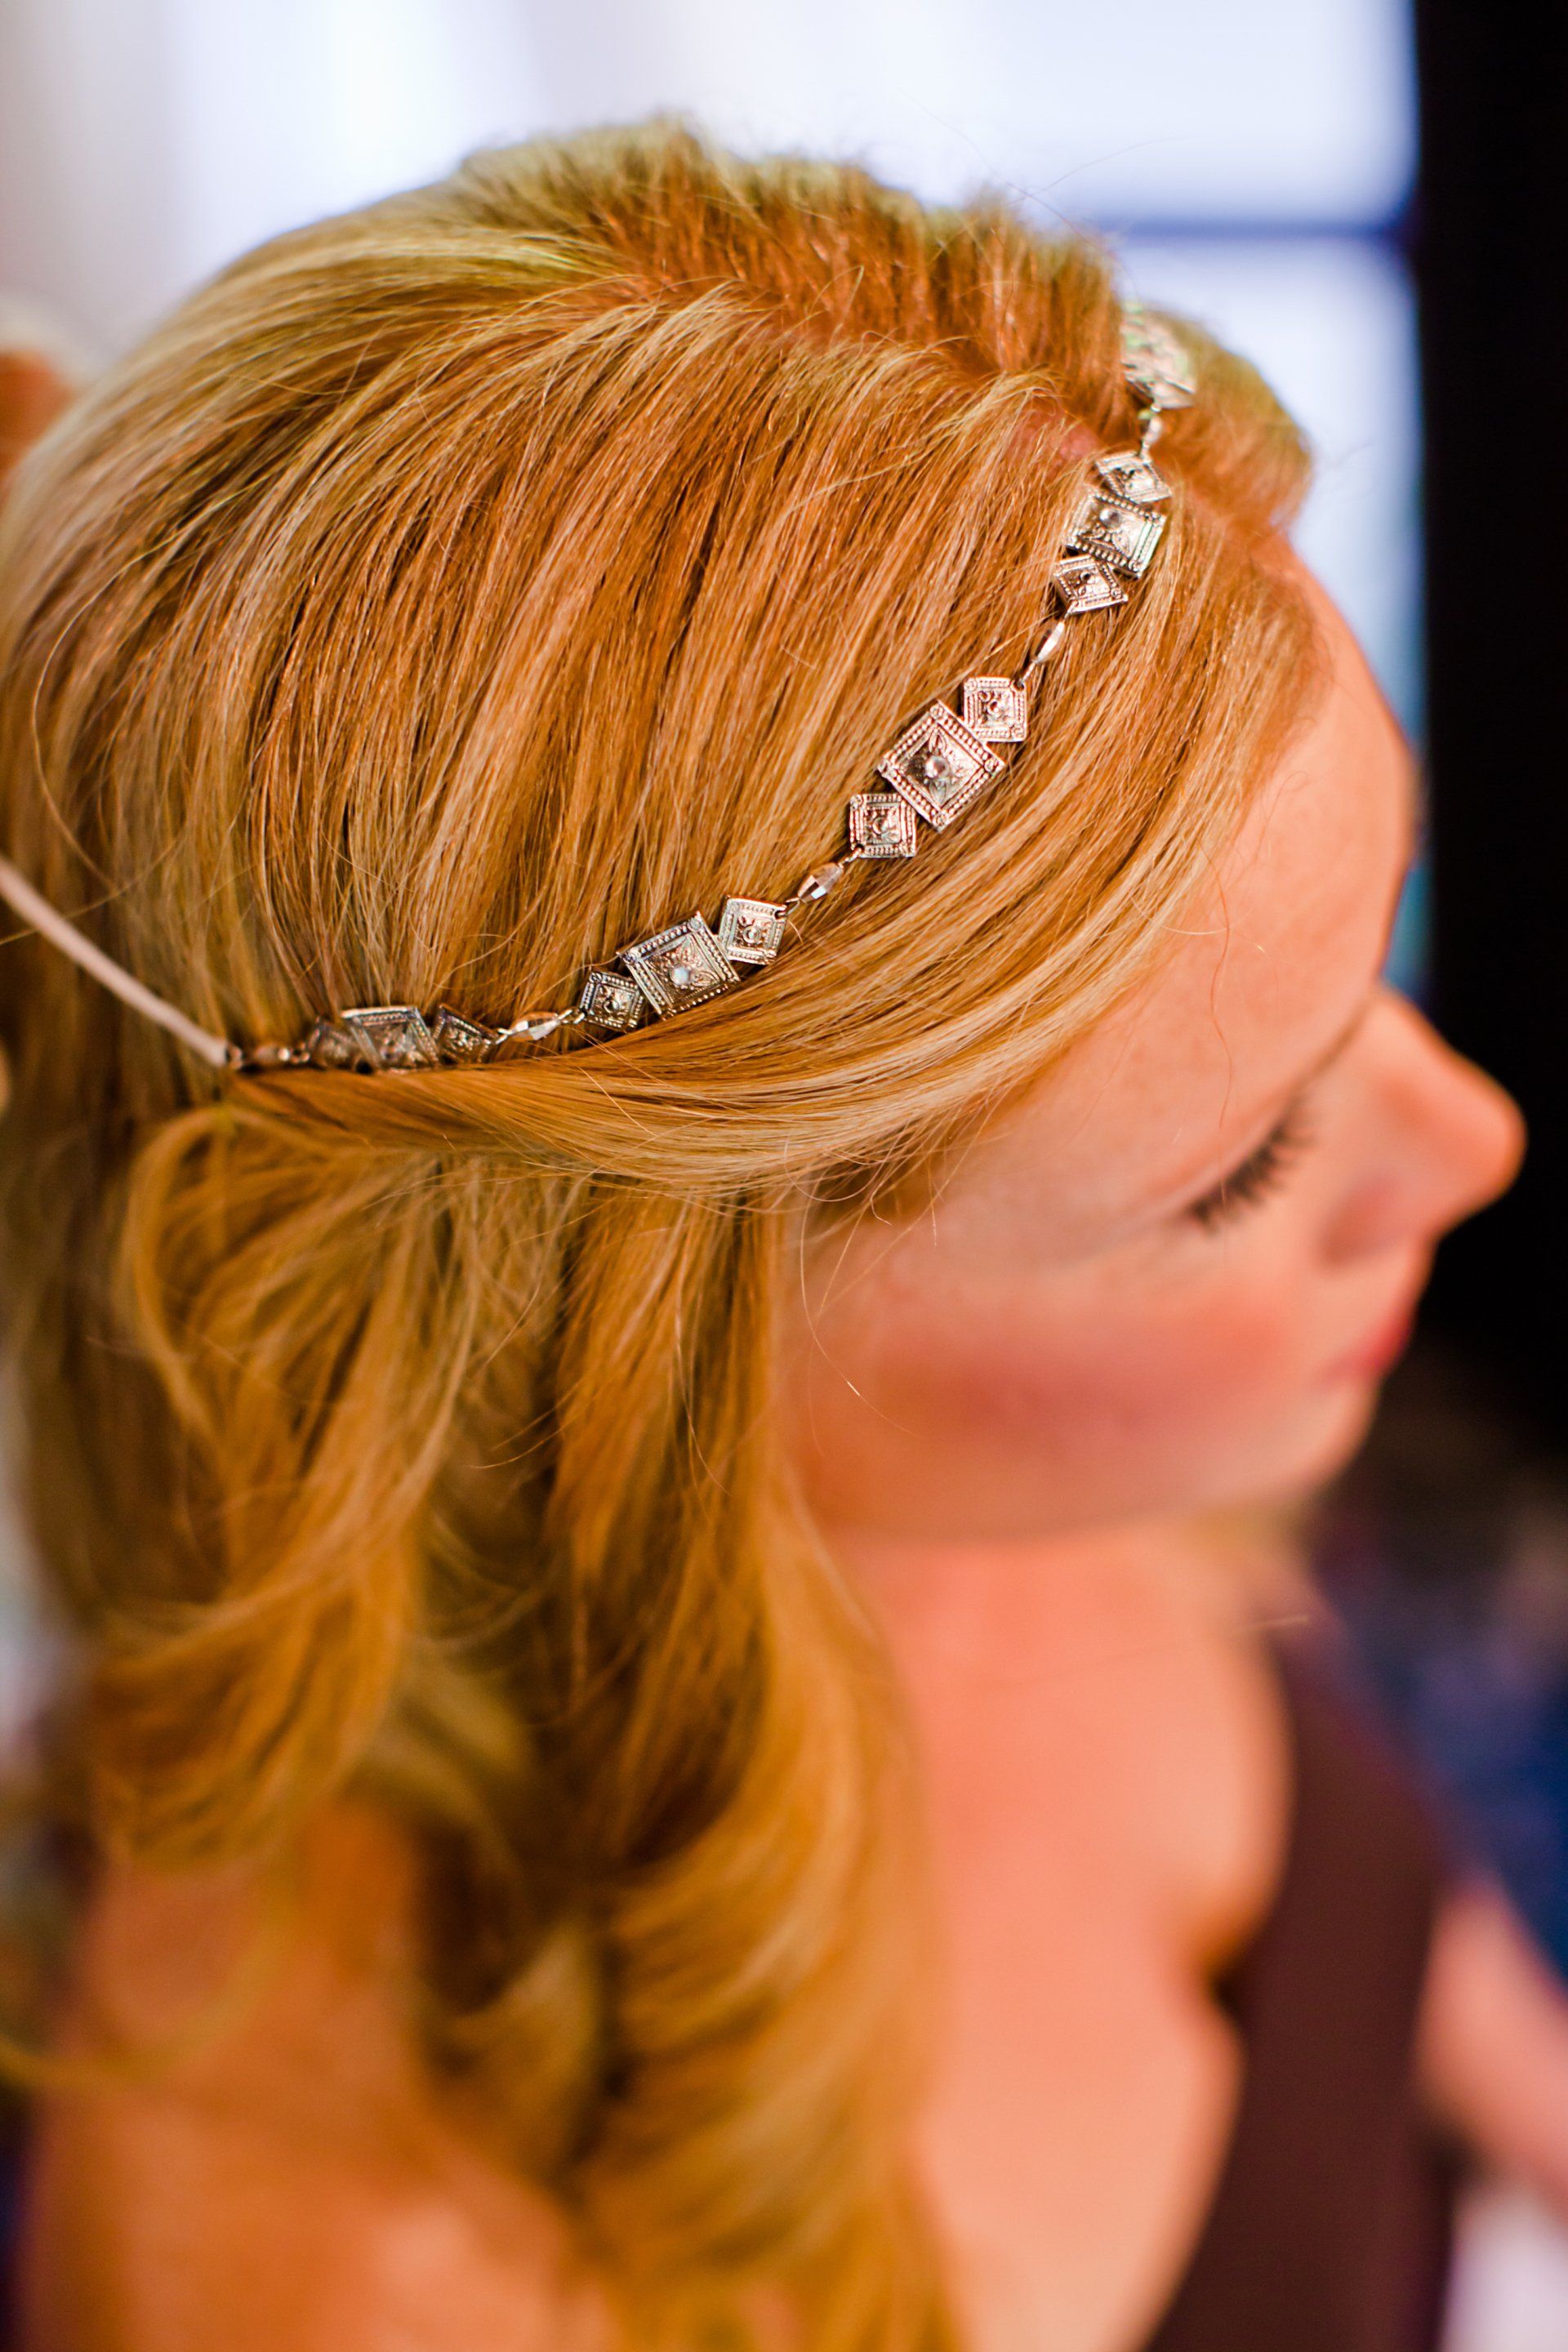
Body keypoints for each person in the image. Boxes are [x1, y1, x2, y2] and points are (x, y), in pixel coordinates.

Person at [0, 122, 1562, 2352]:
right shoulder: (364, 2287)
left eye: (1376, 972)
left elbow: (1401, 1953)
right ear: (628, 1351)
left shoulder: (1015, 1471)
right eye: (1237, 1166)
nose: (1478, 1139)